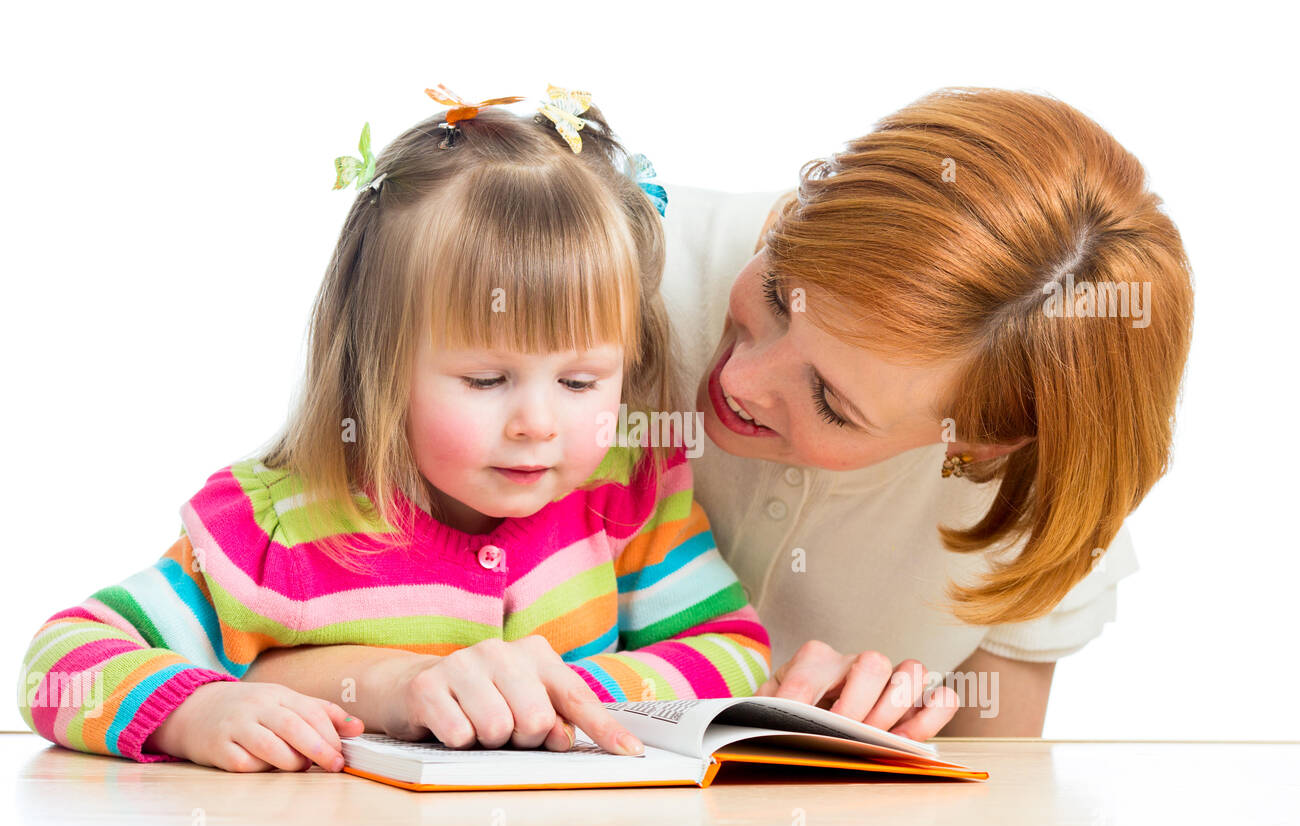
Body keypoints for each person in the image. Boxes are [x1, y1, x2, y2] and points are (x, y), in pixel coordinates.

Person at [16, 86, 772, 772]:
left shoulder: (625, 493)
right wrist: (191, 710)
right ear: (377, 366)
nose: (538, 423)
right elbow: (59, 664)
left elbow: (735, 656)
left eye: (580, 382)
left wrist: (559, 692)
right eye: (485, 380)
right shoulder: (274, 528)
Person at [658, 87, 1193, 736]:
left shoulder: (1038, 508)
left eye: (832, 403)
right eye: (777, 292)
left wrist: (869, 758)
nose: (739, 379)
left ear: (986, 442)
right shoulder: (600, 269)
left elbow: (993, 817)